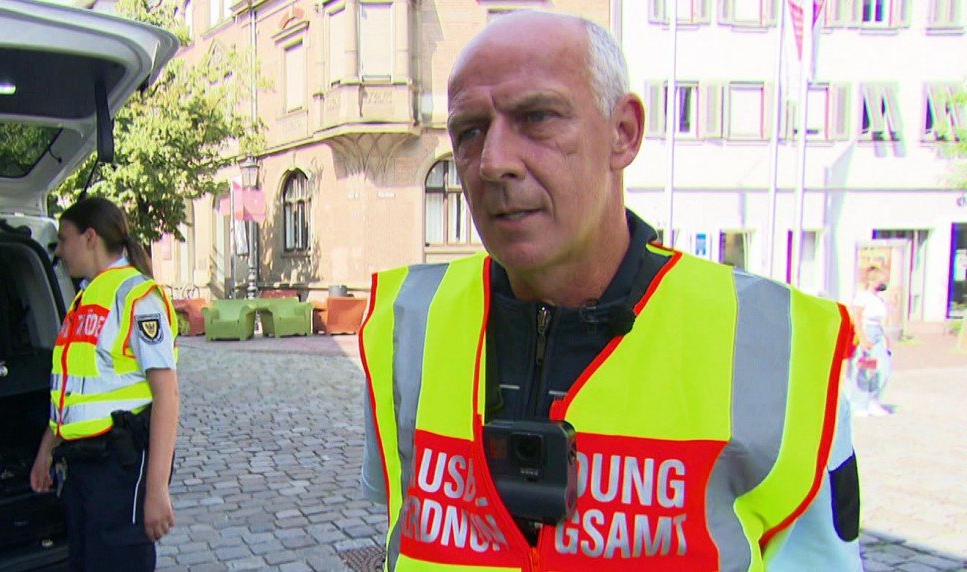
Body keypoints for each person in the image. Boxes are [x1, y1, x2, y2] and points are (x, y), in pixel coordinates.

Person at [359, 12, 862, 571]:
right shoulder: (406, 324)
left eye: (537, 117)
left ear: (623, 133)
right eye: (470, 131)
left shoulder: (776, 347)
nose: (494, 162)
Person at [30, 197, 180, 571]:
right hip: (84, 466)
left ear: (90, 237)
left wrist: (156, 490)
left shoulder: (137, 296)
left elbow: (167, 394)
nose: (59, 251)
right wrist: (47, 448)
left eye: (64, 239)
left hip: (120, 466)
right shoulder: (85, 298)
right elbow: (74, 390)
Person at [848, 266, 893, 416]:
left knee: (882, 369)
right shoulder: (862, 297)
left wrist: (886, 340)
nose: (883, 283)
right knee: (864, 368)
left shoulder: (880, 299)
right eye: (881, 280)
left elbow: (883, 322)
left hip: (878, 333)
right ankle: (859, 404)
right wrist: (862, 338)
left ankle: (874, 401)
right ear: (872, 280)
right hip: (866, 331)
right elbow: (857, 318)